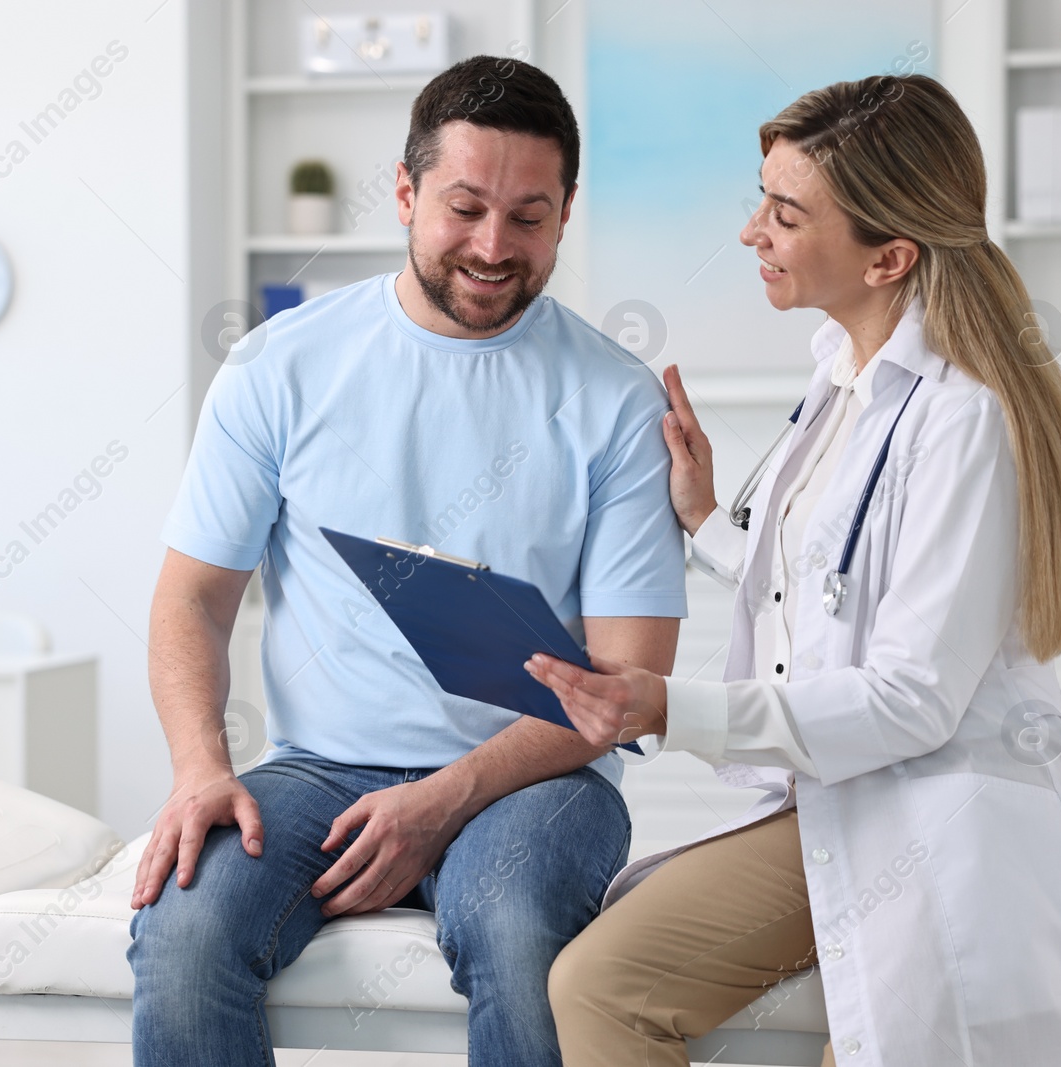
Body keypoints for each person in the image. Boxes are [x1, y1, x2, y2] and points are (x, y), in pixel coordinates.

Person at [529, 74, 1061, 1066]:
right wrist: (707, 520)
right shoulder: (843, 371)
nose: (750, 232)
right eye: (760, 199)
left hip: (933, 811)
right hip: (837, 791)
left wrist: (665, 707)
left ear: (888, 255)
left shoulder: (961, 417)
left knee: (630, 990)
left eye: (785, 212)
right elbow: (831, 582)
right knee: (597, 977)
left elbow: (910, 700)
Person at [127, 55, 687, 1067]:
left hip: (536, 779)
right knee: (185, 928)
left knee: (517, 932)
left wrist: (447, 797)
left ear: (566, 212)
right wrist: (200, 767)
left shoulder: (616, 400)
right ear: (402, 191)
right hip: (319, 767)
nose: (491, 246)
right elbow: (193, 599)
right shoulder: (279, 367)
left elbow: (626, 677)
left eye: (527, 216)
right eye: (463, 207)